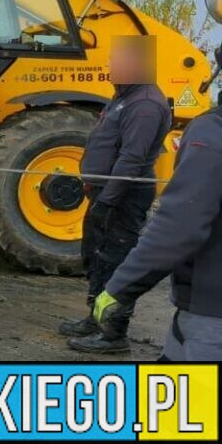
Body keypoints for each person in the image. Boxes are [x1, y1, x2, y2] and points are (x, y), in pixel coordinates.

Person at [64, 37, 171, 354]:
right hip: (104, 191)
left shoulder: (146, 105)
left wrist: (108, 199)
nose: (110, 66)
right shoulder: (124, 96)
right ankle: (95, 317)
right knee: (96, 255)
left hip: (124, 196)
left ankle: (114, 333)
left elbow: (131, 159)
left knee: (115, 259)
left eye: (117, 61)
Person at [94, 103, 222, 360]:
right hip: (198, 313)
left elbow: (180, 226)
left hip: (211, 316)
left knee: (194, 398)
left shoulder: (213, 132)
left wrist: (121, 287)